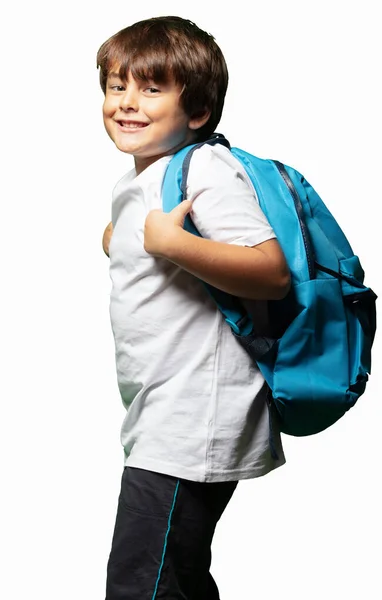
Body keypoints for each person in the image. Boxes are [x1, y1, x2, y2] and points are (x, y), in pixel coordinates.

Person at [97, 15, 290, 600]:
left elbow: (272, 272)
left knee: (141, 585)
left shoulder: (205, 167)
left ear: (198, 110)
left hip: (191, 420)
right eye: (115, 85)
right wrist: (121, 240)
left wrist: (173, 244)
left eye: (152, 88)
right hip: (161, 413)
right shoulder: (144, 179)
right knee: (174, 576)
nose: (127, 102)